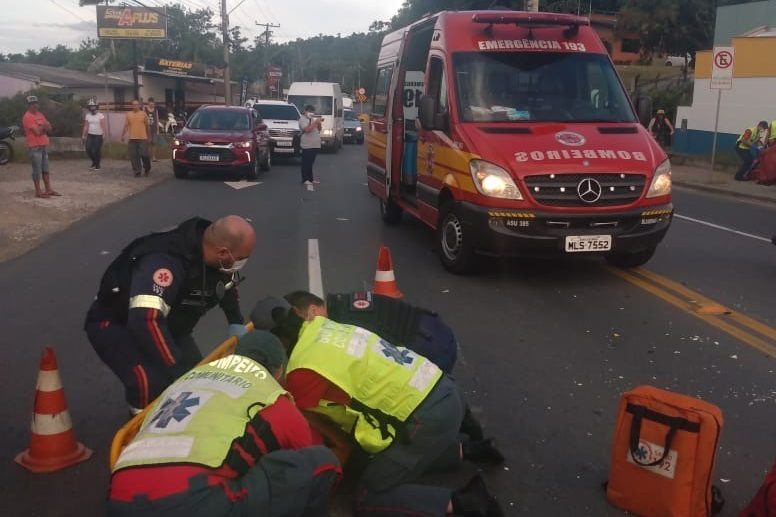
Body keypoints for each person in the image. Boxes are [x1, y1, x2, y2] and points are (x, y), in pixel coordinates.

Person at [254, 304, 505, 517]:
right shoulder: (323, 326)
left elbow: (327, 434)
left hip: (425, 418)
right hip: (444, 387)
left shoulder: (301, 372)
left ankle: (465, 502)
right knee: (386, 453)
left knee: (368, 495)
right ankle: (470, 450)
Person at [108, 330, 341, 517]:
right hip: (192, 500)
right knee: (322, 461)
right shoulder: (270, 394)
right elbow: (301, 449)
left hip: (119, 496)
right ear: (279, 370)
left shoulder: (191, 376)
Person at [84, 215, 256, 414]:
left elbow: (225, 285)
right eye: (242, 258)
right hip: (118, 323)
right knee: (150, 383)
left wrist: (235, 321)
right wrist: (174, 367)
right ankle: (140, 433)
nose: (242, 263)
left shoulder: (218, 259)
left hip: (170, 323)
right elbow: (146, 319)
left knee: (198, 378)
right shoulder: (164, 262)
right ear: (223, 252)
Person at [22, 95, 60, 199]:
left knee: (45, 169)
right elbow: (38, 131)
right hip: (35, 147)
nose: (34, 105)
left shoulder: (40, 114)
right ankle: (38, 191)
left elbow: (50, 128)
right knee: (37, 170)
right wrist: (44, 126)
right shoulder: (27, 117)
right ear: (28, 105)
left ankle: (48, 189)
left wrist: (43, 127)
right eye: (31, 104)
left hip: (43, 145)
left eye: (35, 103)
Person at [121, 99, 151, 177]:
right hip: (132, 139)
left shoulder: (143, 114)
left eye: (137, 104)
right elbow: (126, 126)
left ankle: (147, 168)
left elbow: (147, 126)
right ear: (131, 106)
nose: (135, 106)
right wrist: (123, 135)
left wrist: (149, 136)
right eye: (133, 104)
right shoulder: (128, 114)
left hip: (143, 138)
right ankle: (137, 171)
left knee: (144, 154)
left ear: (139, 105)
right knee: (134, 156)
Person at [299, 104, 322, 187]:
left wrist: (318, 123)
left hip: (315, 144)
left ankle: (311, 179)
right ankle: (305, 179)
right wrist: (315, 122)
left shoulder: (313, 119)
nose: (311, 113)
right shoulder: (302, 119)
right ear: (305, 111)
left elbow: (319, 129)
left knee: (311, 163)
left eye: (312, 112)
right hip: (307, 145)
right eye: (309, 111)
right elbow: (307, 130)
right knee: (306, 163)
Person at [81, 100, 106, 171]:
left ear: (96, 107)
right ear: (89, 108)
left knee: (95, 150)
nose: (92, 108)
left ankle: (97, 165)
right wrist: (83, 135)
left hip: (98, 135)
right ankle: (94, 162)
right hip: (90, 134)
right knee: (88, 149)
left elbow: (103, 125)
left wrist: (104, 134)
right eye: (91, 107)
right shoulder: (88, 115)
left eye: (93, 106)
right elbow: (86, 126)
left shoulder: (100, 115)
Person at [144, 97, 160, 162]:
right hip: (147, 129)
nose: (151, 105)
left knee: (154, 143)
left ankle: (153, 157)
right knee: (148, 143)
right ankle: (148, 156)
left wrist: (158, 130)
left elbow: (157, 119)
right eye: (150, 104)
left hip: (154, 129)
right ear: (148, 103)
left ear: (154, 104)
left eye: (152, 104)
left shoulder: (156, 110)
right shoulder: (145, 110)